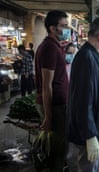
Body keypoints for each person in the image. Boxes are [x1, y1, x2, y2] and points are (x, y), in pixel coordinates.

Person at [66, 16, 99, 172]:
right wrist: (90, 135)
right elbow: (82, 101)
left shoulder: (94, 56)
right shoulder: (86, 59)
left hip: (95, 132)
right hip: (86, 137)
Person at [34, 10, 69, 171]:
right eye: (64, 26)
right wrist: (48, 117)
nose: (67, 29)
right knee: (56, 151)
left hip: (57, 105)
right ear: (53, 28)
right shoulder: (49, 48)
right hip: (54, 107)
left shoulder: (54, 46)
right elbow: (47, 85)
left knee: (58, 149)